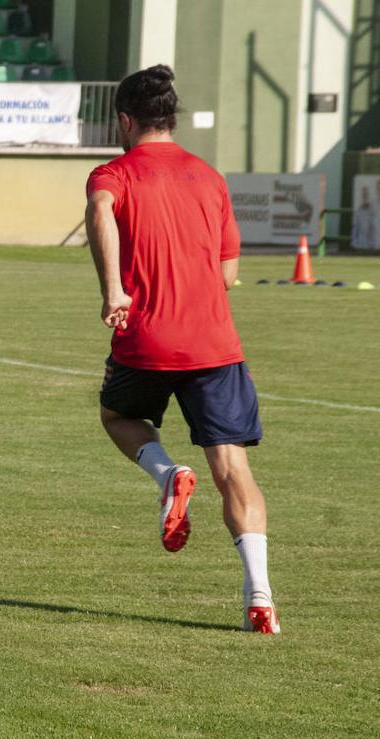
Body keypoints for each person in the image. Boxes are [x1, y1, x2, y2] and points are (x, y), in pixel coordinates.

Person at [84, 65, 279, 634]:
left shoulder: (113, 173)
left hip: (145, 337)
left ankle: (167, 473)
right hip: (214, 343)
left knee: (118, 414)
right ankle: (259, 594)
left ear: (125, 118)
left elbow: (100, 212)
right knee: (232, 469)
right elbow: (228, 271)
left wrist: (114, 288)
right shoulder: (209, 177)